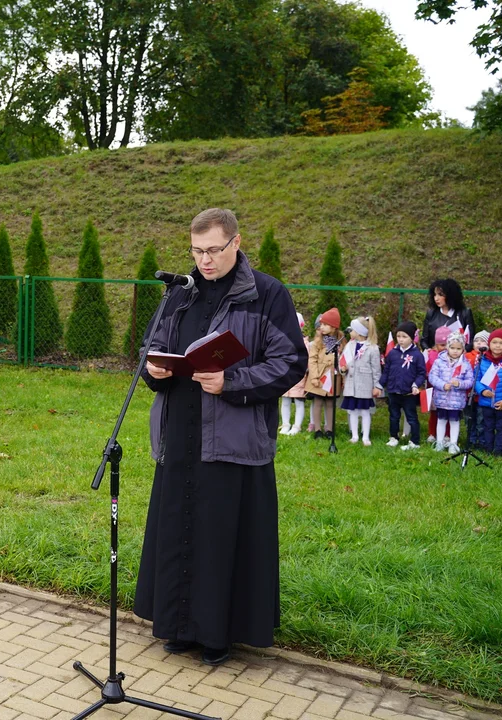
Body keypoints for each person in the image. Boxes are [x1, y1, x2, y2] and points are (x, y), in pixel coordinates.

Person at [136, 208, 307, 666]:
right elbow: (151, 346)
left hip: (232, 435)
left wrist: (232, 382)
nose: (204, 260)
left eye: (212, 250)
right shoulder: (181, 293)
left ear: (235, 242)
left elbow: (290, 361)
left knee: (218, 534)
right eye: (196, 250)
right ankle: (176, 626)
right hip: (180, 431)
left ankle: (216, 636)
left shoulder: (266, 294)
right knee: (179, 527)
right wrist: (153, 367)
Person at [378, 321, 426, 450]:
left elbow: (421, 373)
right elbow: (386, 371)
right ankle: (394, 437)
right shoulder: (393, 354)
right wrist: (379, 385)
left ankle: (414, 441)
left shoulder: (417, 355)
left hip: (408, 393)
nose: (401, 339)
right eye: (398, 336)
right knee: (393, 416)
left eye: (404, 337)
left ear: (412, 338)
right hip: (393, 391)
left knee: (411, 416)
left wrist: (416, 385)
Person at [427, 331, 474, 454]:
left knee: (454, 421)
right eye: (452, 347)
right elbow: (432, 377)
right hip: (441, 398)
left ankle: (453, 443)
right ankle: (440, 442)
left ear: (463, 349)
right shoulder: (439, 361)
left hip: (456, 400)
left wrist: (460, 384)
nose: (455, 351)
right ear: (447, 347)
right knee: (441, 420)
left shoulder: (465, 364)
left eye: (458, 348)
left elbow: (470, 381)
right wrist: (442, 385)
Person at [304, 308, 344, 440]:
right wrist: (314, 377)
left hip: (333, 377)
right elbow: (312, 359)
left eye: (325, 325)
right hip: (319, 376)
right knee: (318, 401)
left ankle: (330, 429)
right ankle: (317, 429)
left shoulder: (341, 341)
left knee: (330, 403)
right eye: (321, 324)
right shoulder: (317, 342)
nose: (321, 327)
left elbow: (343, 358)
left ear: (333, 327)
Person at [341, 316, 381, 445]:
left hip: (365, 385)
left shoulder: (372, 348)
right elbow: (343, 360)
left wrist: (377, 386)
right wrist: (342, 369)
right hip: (351, 384)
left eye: (352, 329)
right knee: (352, 411)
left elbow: (376, 369)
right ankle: (354, 435)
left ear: (359, 332)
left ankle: (366, 436)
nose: (350, 331)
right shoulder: (349, 345)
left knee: (365, 411)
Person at [474, 329, 502, 454]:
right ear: (489, 344)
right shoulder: (482, 360)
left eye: (501, 343)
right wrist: (482, 390)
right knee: (488, 426)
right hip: (486, 402)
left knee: (501, 428)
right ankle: (488, 449)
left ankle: (498, 451)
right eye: (494, 342)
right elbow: (476, 379)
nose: (497, 345)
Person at [421, 278, 474, 350]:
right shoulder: (431, 313)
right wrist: (429, 350)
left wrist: (461, 351)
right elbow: (424, 341)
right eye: (435, 294)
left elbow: (471, 341)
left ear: (450, 295)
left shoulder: (465, 313)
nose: (436, 298)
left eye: (440, 295)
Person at [280, 312, 308, 435]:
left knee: (298, 401)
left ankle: (297, 426)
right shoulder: (283, 340)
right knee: (285, 401)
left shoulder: (305, 343)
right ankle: (285, 424)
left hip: (299, 377)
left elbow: (307, 359)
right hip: (285, 374)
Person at [424, 326, 452, 444]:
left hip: (448, 390)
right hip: (433, 388)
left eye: (447, 345)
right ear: (436, 344)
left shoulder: (454, 357)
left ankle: (447, 434)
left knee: (448, 413)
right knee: (434, 413)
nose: (445, 348)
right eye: (442, 345)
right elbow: (427, 370)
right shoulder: (432, 354)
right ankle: (432, 433)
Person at [467, 330, 489, 449]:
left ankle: (481, 441)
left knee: (481, 420)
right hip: (469, 394)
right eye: (476, 341)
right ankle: (471, 439)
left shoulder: (488, 358)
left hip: (482, 395)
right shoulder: (467, 356)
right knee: (470, 418)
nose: (479, 344)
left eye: (483, 341)